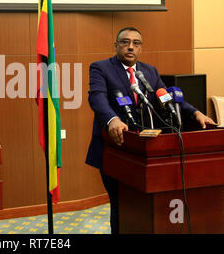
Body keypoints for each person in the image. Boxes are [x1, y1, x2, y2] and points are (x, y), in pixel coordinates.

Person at [85, 27, 215, 234]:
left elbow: (165, 99)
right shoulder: (101, 68)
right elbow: (97, 97)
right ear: (116, 45)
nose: (130, 47)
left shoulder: (149, 72)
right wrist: (112, 120)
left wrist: (195, 113)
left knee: (145, 206)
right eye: (125, 42)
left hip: (146, 152)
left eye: (136, 43)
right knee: (122, 203)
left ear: (141, 48)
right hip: (117, 150)